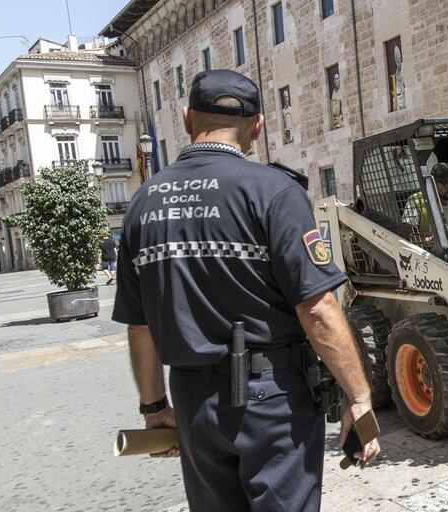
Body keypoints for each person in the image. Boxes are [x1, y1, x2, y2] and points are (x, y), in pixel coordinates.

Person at [112, 69, 379, 511]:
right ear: (257, 125)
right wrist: (359, 397)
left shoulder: (143, 203)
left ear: (186, 118)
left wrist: (153, 406)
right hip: (271, 400)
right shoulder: (273, 192)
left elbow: (139, 327)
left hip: (193, 400)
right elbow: (317, 308)